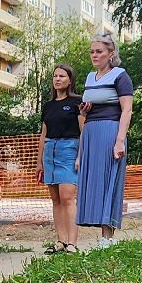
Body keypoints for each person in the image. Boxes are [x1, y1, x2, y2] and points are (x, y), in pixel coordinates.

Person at [75, 34, 132, 248]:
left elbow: (127, 110)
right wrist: (84, 111)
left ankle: (108, 239)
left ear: (111, 53)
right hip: (91, 132)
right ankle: (102, 239)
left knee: (109, 180)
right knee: (95, 182)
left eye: (99, 51)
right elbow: (85, 112)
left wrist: (120, 140)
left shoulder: (120, 75)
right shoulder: (90, 78)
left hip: (110, 131)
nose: (94, 55)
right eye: (92, 51)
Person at [37, 63, 81, 253]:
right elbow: (43, 134)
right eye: (55, 76)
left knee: (68, 197)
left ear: (70, 80)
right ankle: (61, 241)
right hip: (50, 151)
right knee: (55, 198)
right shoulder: (47, 106)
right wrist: (39, 162)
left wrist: (81, 156)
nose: (58, 79)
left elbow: (83, 131)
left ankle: (72, 243)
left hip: (69, 149)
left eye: (62, 76)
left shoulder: (77, 102)